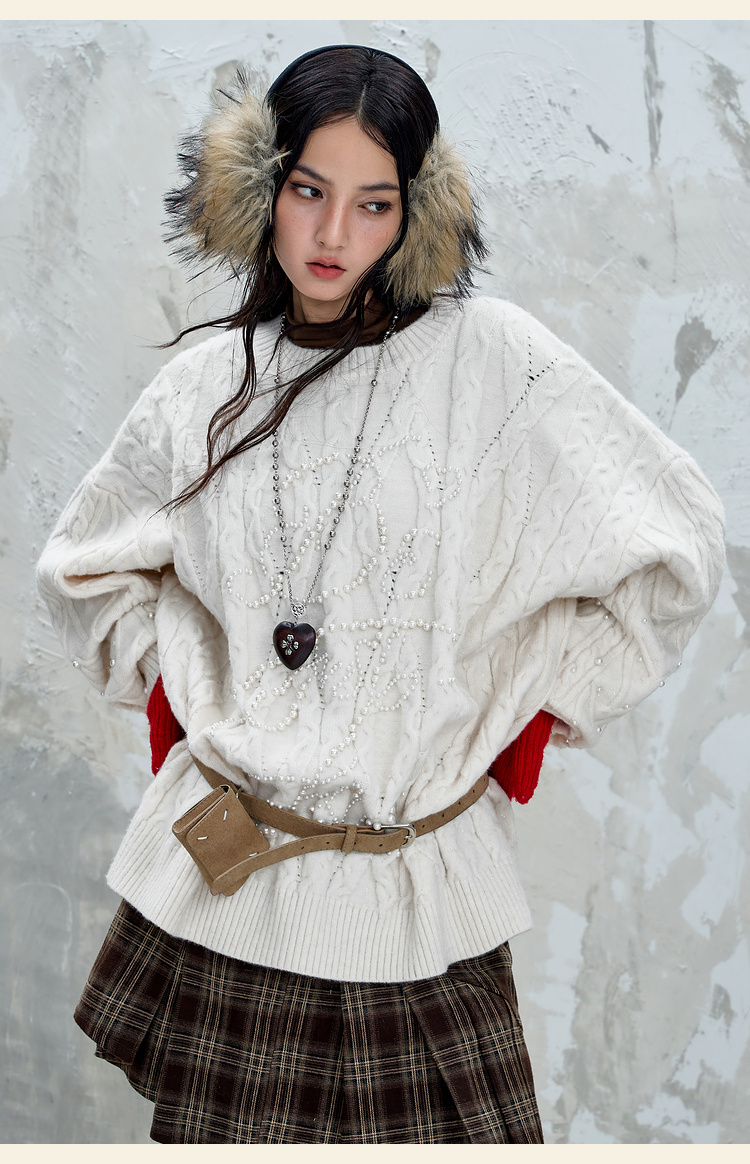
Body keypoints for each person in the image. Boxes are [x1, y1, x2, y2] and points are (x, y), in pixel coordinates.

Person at [37, 45, 725, 1145]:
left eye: (373, 204)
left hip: (418, 895)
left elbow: (676, 539)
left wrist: (538, 705)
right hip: (236, 881)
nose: (332, 235)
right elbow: (84, 565)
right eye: (309, 191)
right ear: (262, 189)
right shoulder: (205, 385)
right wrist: (183, 696)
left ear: (414, 215)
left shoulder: (490, 361)